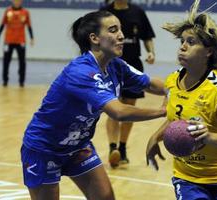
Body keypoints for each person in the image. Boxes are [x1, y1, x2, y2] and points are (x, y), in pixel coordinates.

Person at [21, 11, 166, 200]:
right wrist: (163, 111)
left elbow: (151, 84)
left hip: (78, 147)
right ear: (95, 38)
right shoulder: (81, 72)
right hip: (44, 148)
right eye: (113, 30)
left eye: (121, 30)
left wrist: (176, 91)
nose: (122, 35)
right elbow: (118, 112)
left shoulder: (116, 65)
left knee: (105, 197)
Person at [146, 0, 217, 199]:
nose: (183, 47)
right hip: (188, 178)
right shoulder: (172, 81)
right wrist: (155, 137)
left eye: (191, 42)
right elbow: (175, 118)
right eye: (182, 42)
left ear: (208, 51)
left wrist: (208, 137)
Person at [100, 0, 156, 167]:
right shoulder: (105, 13)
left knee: (130, 107)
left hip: (133, 64)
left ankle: (122, 148)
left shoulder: (138, 12)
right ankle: (112, 147)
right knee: (113, 107)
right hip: (110, 65)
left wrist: (151, 52)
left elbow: (147, 36)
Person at [0, 0, 34, 87]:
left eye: (18, 1)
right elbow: (3, 24)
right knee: (6, 61)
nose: (17, 2)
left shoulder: (25, 12)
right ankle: (5, 80)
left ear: (21, 1)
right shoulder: (8, 11)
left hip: (20, 41)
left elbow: (29, 26)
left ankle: (21, 81)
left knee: (22, 62)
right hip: (8, 41)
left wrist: (32, 37)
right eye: (15, 0)